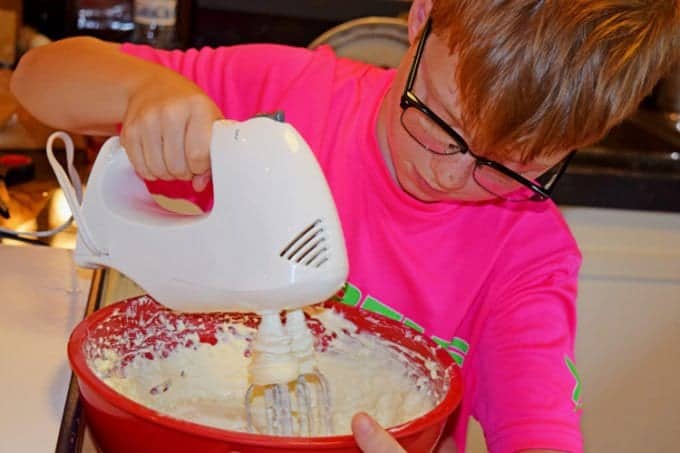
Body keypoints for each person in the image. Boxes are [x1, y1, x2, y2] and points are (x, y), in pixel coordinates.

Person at [10, 0, 679, 451]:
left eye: (511, 167)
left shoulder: (527, 259)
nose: (450, 175)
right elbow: (40, 79)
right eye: (441, 123)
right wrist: (144, 93)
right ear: (420, 19)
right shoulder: (284, 104)